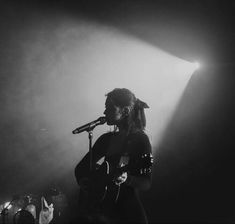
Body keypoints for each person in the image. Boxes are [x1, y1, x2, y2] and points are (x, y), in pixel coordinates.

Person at [74, 88, 153, 224]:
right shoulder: (106, 139)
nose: (104, 112)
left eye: (109, 108)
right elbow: (81, 168)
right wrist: (88, 185)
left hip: (128, 212)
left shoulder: (140, 140)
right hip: (103, 210)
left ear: (125, 111)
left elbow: (146, 183)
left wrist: (127, 178)